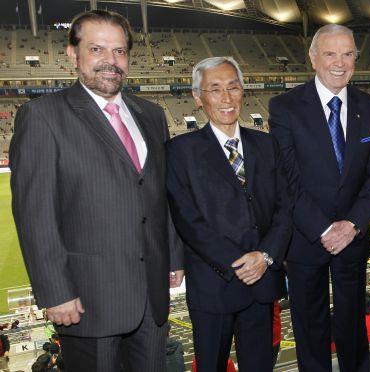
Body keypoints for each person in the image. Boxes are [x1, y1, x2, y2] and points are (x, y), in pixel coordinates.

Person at [10, 10, 184, 371]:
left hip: (151, 300)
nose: (111, 61)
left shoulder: (151, 114)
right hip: (88, 302)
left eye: (119, 51)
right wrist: (56, 291)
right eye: (97, 49)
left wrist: (174, 257)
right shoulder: (42, 116)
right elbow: (34, 213)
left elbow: (160, 195)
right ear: (73, 55)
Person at [269, 23, 370, 372]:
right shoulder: (284, 107)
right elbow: (287, 181)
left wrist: (351, 225)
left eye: (347, 53)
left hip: (352, 238)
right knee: (310, 329)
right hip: (306, 239)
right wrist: (323, 229)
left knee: (352, 326)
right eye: (330, 53)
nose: (340, 62)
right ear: (313, 57)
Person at [166, 56, 292, 372]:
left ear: (242, 91)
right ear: (198, 97)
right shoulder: (180, 151)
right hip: (213, 287)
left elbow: (285, 207)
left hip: (261, 282)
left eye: (233, 87)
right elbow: (187, 220)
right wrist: (239, 263)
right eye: (215, 89)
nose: (226, 98)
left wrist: (265, 256)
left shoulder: (266, 145)